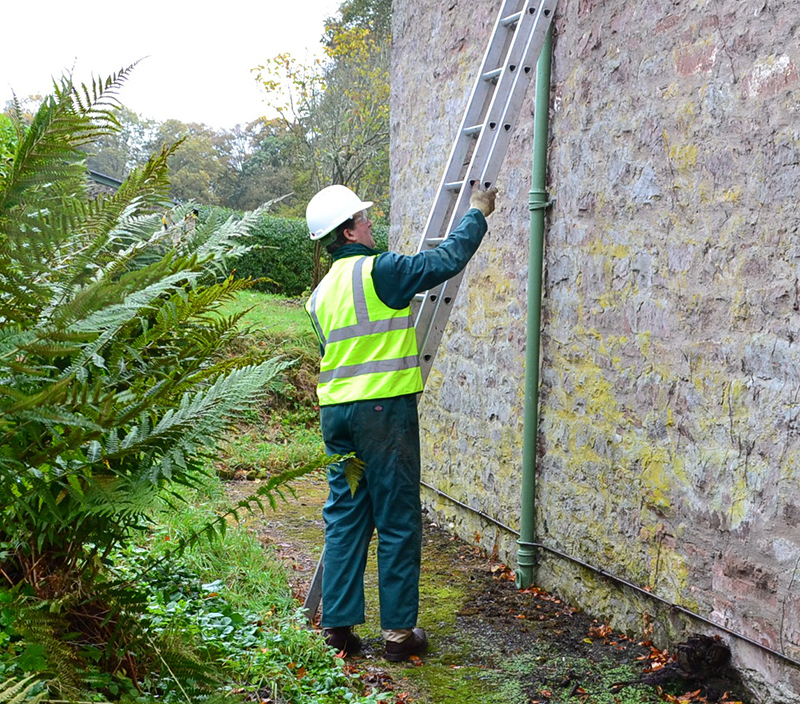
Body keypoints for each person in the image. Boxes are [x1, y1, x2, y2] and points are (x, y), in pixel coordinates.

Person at [304, 183, 497, 661]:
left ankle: (339, 630)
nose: (372, 224)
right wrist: (476, 213)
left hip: (337, 416)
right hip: (382, 413)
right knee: (396, 518)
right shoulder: (380, 270)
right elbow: (445, 261)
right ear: (349, 230)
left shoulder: (319, 294)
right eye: (364, 219)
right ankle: (398, 636)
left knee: (346, 517)